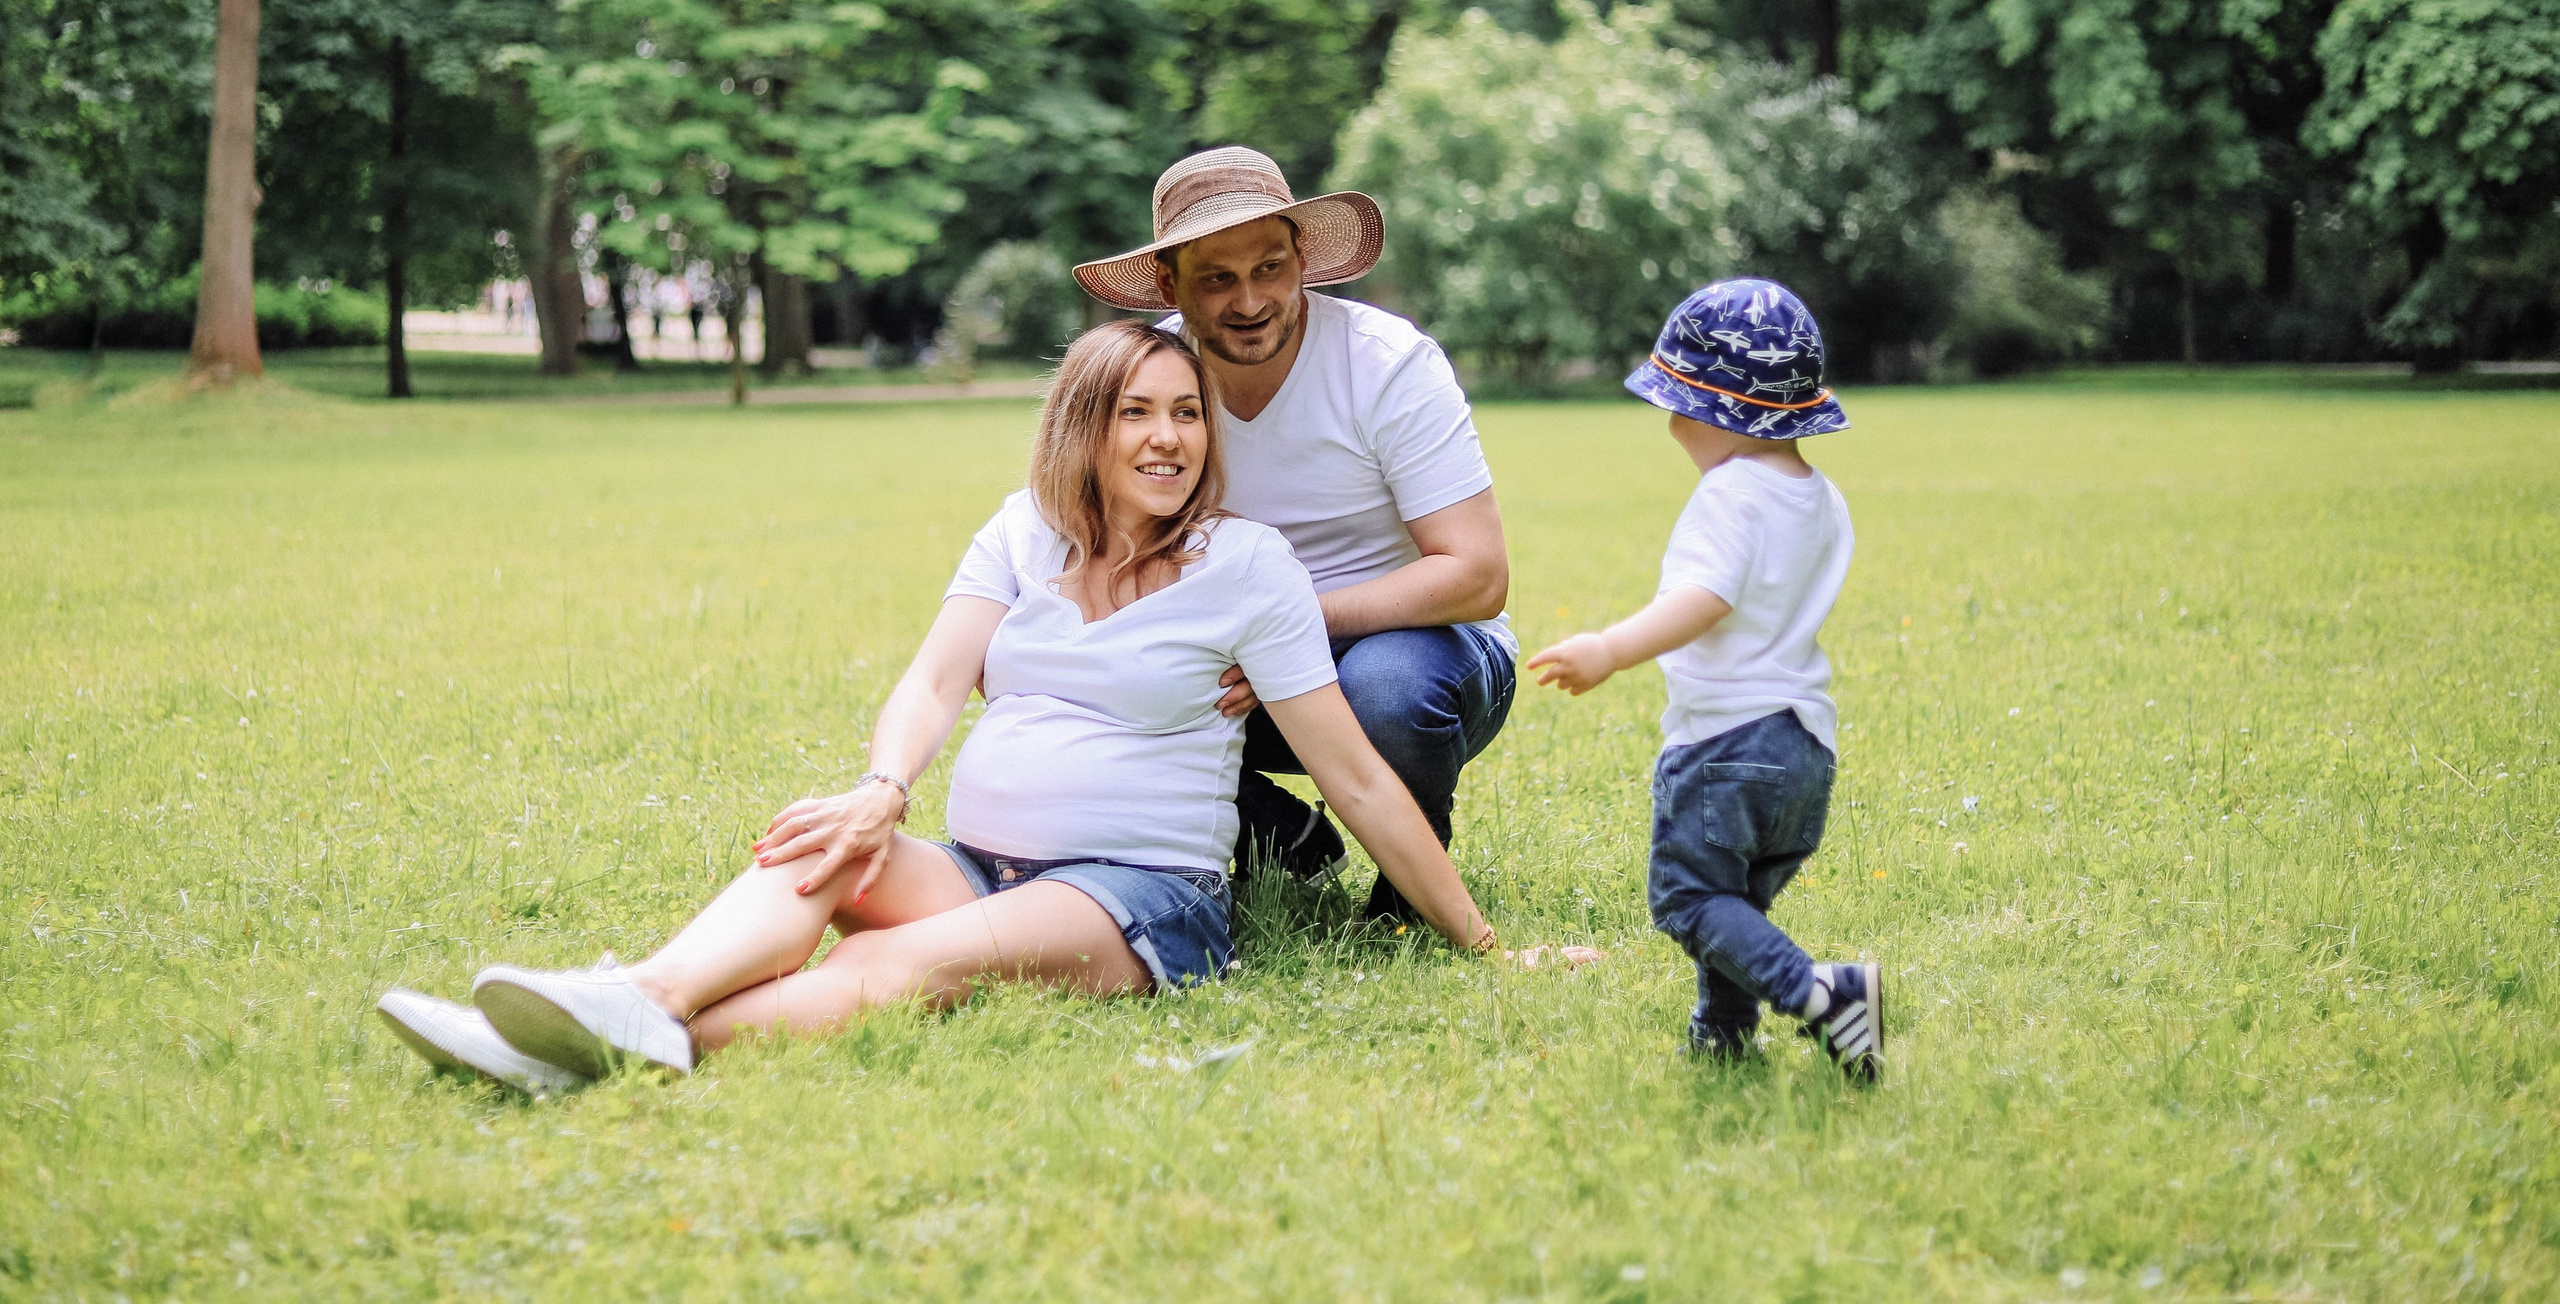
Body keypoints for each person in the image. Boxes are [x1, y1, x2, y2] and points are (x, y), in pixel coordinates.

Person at [375, 321, 1496, 1092]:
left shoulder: (1249, 564)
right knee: (813, 849)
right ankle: (639, 996)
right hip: (976, 858)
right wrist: (880, 791)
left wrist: (1482, 940)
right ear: (1083, 428)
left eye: (1188, 414)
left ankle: (600, 1042)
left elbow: (1350, 774)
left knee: (882, 972)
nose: (1168, 437)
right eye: (1136, 413)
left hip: (1136, 896)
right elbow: (931, 678)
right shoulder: (1022, 530)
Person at [1072, 147, 1514, 923]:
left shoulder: (1387, 364)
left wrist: (1291, 622)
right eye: (1217, 278)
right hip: (1233, 659)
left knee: (1389, 689)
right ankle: (1282, 831)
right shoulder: (1148, 382)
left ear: (1303, 258)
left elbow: (1477, 575)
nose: (1250, 300)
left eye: (1270, 268)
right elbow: (1102, 555)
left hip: (1418, 650)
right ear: (1169, 284)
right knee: (1074, 675)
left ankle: (1410, 880)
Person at [1523, 279, 1884, 1081]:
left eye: (1677, 405)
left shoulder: (1730, 495)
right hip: (1804, 747)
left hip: (1727, 742)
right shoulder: (1819, 498)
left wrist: (1611, 648)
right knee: (1733, 903)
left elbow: (1705, 598)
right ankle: (1721, 1030)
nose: (1670, 424)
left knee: (1688, 900)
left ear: (1722, 411)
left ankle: (1825, 996)